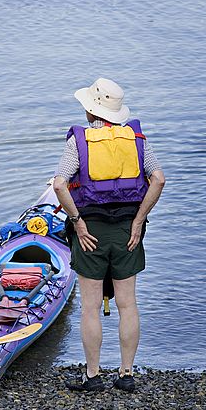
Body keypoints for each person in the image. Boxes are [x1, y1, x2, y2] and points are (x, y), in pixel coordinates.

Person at [53, 77, 165, 392]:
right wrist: (139, 220)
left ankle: (93, 375)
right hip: (129, 232)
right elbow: (158, 179)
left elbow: (60, 184)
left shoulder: (79, 142)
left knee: (90, 307)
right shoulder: (137, 140)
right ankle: (126, 375)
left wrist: (77, 221)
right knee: (127, 304)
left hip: (90, 232)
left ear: (91, 111)